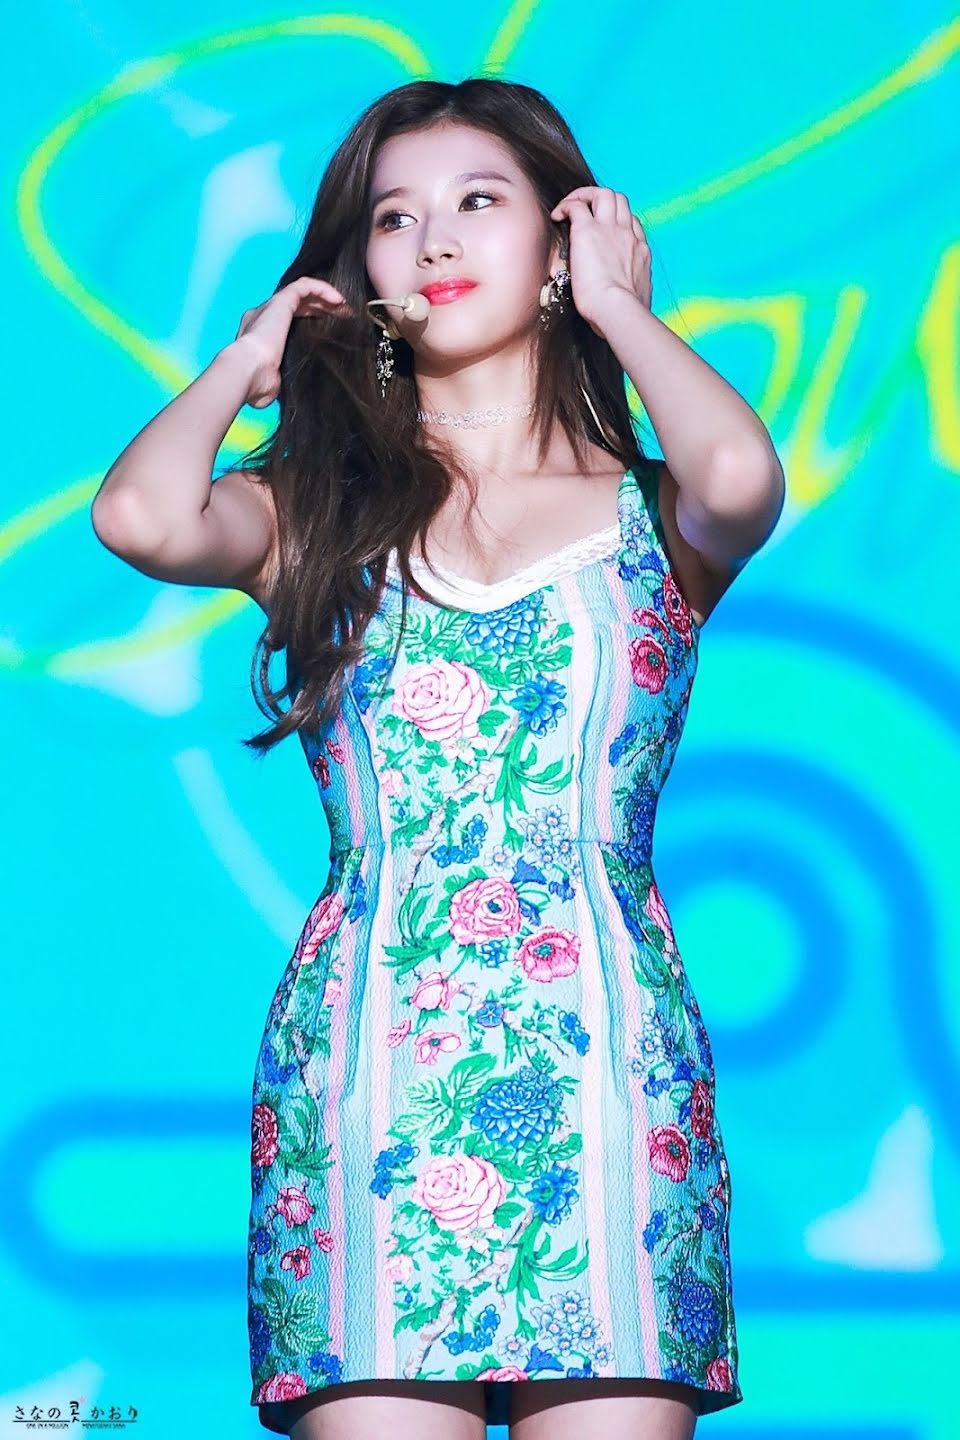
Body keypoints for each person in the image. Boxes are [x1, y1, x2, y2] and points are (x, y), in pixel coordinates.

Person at [92, 76, 783, 1440]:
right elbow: (140, 517)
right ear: (361, 275)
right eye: (394, 219)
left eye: (479, 201)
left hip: (612, 1083)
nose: (435, 241)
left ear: (562, 241)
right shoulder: (315, 514)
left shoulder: (653, 513)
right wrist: (247, 363)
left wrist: (621, 309)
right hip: (367, 1078)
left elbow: (742, 479)